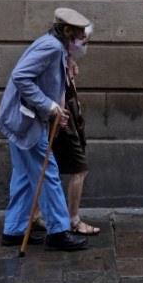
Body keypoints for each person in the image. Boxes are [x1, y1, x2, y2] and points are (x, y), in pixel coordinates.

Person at [0, 8, 91, 252]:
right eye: (80, 34)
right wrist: (49, 106)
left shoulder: (54, 46)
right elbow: (21, 76)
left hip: (20, 120)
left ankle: (14, 230)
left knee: (24, 176)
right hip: (27, 122)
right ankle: (58, 232)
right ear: (67, 31)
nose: (83, 39)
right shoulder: (52, 47)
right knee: (48, 173)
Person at [52, 39, 102, 236]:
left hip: (68, 115)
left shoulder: (65, 57)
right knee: (80, 168)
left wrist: (71, 71)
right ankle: (73, 220)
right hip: (63, 119)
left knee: (50, 169)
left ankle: (39, 214)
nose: (84, 42)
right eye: (82, 37)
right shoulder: (55, 54)